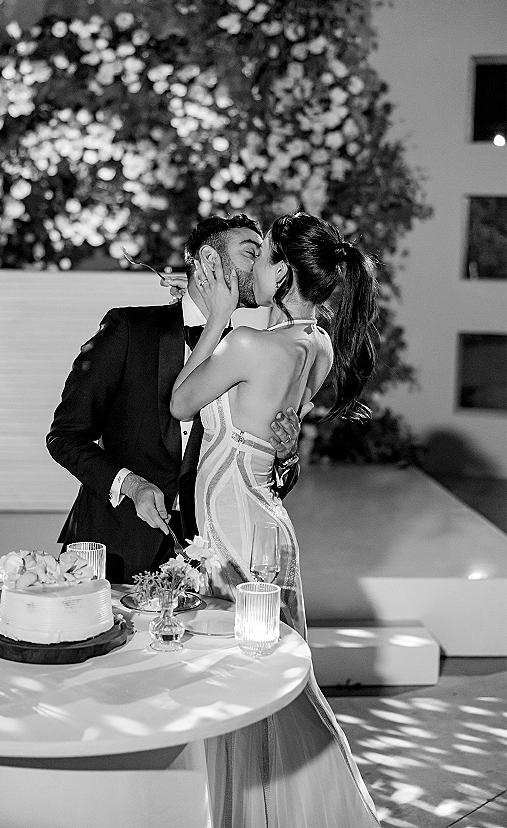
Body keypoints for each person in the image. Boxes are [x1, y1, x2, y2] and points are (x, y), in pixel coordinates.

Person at [171, 212, 381, 827]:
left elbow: (181, 402)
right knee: (270, 672)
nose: (254, 268)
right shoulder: (320, 346)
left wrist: (217, 319)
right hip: (269, 519)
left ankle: (250, 812)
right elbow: (273, 436)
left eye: (261, 255)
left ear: (283, 270)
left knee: (242, 677)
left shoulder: (245, 344)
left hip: (235, 517)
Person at [46, 215, 303, 585]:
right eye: (252, 254)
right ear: (210, 260)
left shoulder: (253, 354)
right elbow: (65, 437)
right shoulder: (128, 330)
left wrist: (285, 454)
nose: (264, 266)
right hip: (111, 550)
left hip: (210, 560)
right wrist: (131, 484)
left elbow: (264, 484)